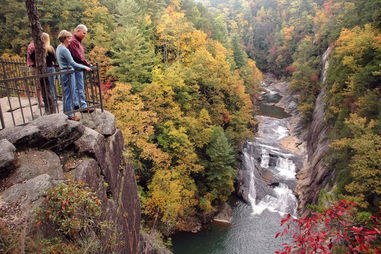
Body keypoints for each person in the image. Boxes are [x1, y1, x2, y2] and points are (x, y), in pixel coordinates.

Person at [56, 30, 91, 121]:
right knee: (70, 95)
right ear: (64, 38)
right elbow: (72, 63)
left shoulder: (59, 48)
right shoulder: (64, 49)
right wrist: (85, 67)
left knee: (66, 95)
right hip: (68, 73)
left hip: (63, 73)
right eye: (69, 38)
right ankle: (70, 116)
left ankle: (66, 113)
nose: (70, 40)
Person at [68, 24, 93, 112]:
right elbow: (78, 56)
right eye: (83, 33)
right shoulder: (74, 41)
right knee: (79, 87)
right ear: (78, 31)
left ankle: (77, 104)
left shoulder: (76, 41)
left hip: (77, 66)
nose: (84, 35)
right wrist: (87, 65)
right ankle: (82, 106)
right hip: (77, 66)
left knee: (76, 87)